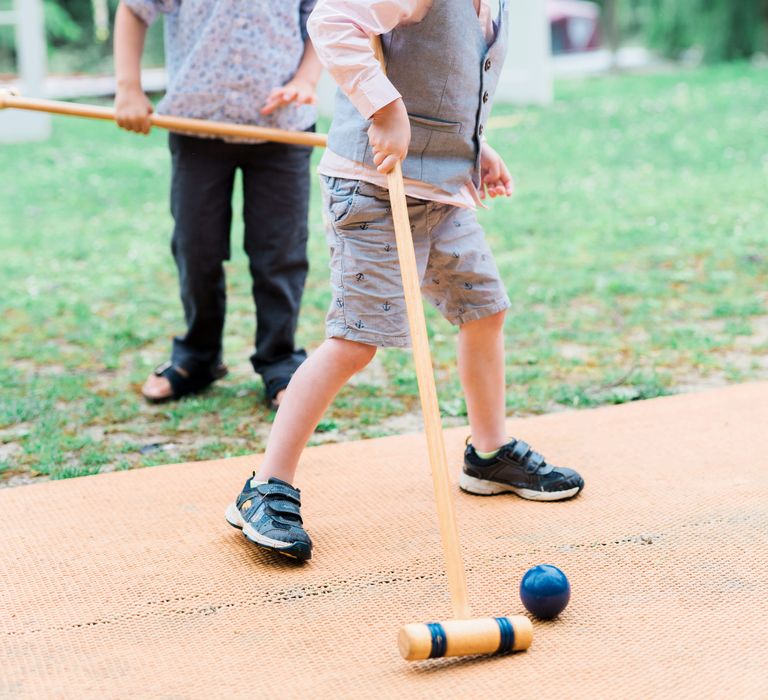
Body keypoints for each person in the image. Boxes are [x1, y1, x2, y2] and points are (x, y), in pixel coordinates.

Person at [225, 0, 585, 562]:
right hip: (373, 189)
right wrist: (384, 108)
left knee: (485, 309)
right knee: (354, 342)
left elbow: (442, 78)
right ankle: (266, 486)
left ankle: (488, 455)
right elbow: (332, 22)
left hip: (443, 193)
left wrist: (473, 146)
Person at [113, 0, 322, 409]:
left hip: (283, 128)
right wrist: (128, 88)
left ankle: (280, 360)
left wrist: (306, 79)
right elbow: (134, 10)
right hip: (196, 124)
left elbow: (321, 19)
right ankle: (198, 355)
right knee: (197, 246)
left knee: (280, 251)